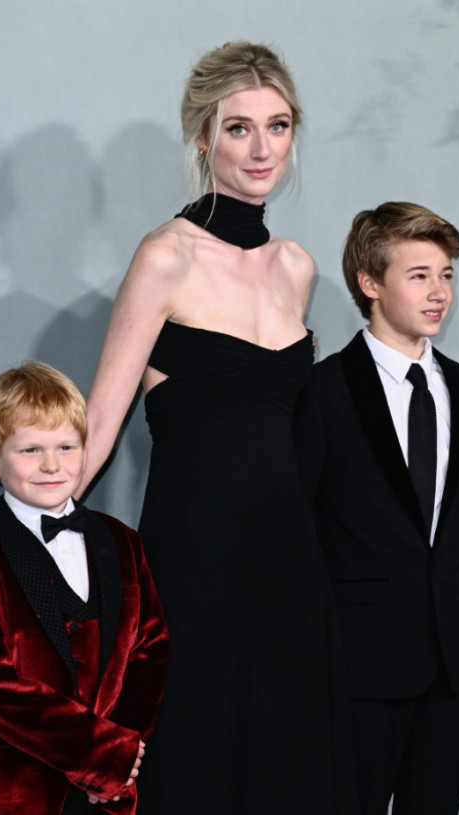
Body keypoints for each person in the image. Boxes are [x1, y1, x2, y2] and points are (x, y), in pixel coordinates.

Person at [82, 41, 352, 814]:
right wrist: (26, 545)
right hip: (193, 558)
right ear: (203, 137)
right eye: (239, 128)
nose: (262, 148)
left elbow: (297, 437)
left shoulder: (296, 267)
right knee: (193, 760)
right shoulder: (165, 257)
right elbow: (99, 423)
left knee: (282, 764)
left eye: (278, 125)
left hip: (289, 562)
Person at [293, 202, 459, 815]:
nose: (439, 293)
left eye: (446, 276)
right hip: (358, 660)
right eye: (419, 276)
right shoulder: (324, 390)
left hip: (451, 657)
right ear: (370, 283)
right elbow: (298, 531)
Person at [0, 362, 169, 815]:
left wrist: (121, 756)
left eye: (65, 446)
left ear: (85, 450)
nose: (51, 465)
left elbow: (150, 649)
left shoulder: (122, 541)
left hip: (113, 791)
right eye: (30, 450)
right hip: (14, 791)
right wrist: (99, 755)